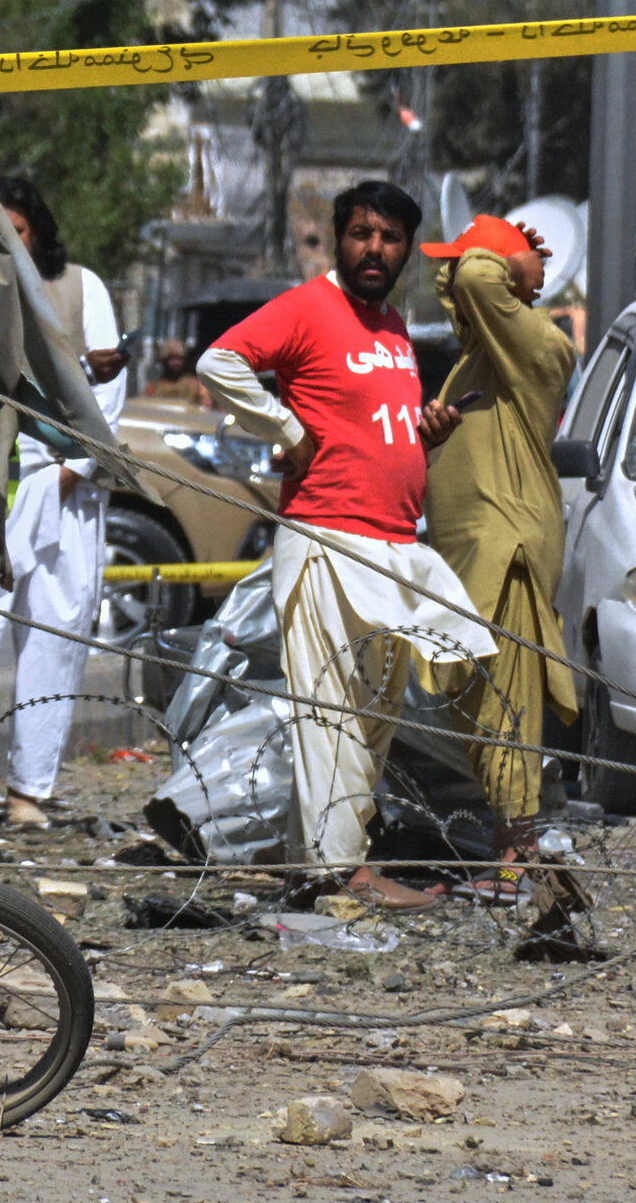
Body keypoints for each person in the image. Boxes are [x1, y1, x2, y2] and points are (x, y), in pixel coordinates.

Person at [196, 179, 496, 908]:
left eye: (390, 238)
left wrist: (423, 435)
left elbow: (376, 426)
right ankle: (343, 874)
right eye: (362, 233)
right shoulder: (307, 307)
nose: (375, 248)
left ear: (404, 251)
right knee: (329, 710)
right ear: (338, 236)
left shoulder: (394, 326)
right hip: (326, 538)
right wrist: (288, 432)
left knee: (373, 713)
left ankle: (326, 865)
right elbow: (219, 363)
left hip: (392, 544)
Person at [421, 213, 577, 881]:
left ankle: (517, 852)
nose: (449, 278)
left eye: (465, 261)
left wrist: (511, 258)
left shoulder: (539, 346)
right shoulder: (473, 363)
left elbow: (479, 279)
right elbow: (461, 283)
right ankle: (508, 842)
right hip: (470, 557)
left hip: (505, 547)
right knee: (481, 705)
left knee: (507, 702)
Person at [0, 176, 127, 826]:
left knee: (53, 637)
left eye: (18, 228)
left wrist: (75, 468)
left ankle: (26, 792)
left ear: (35, 232)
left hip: (62, 486)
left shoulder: (78, 287)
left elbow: (104, 386)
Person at [143, 338, 211, 407]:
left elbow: (205, 407)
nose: (176, 363)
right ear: (164, 361)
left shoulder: (196, 385)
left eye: (179, 358)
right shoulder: (153, 388)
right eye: (172, 358)